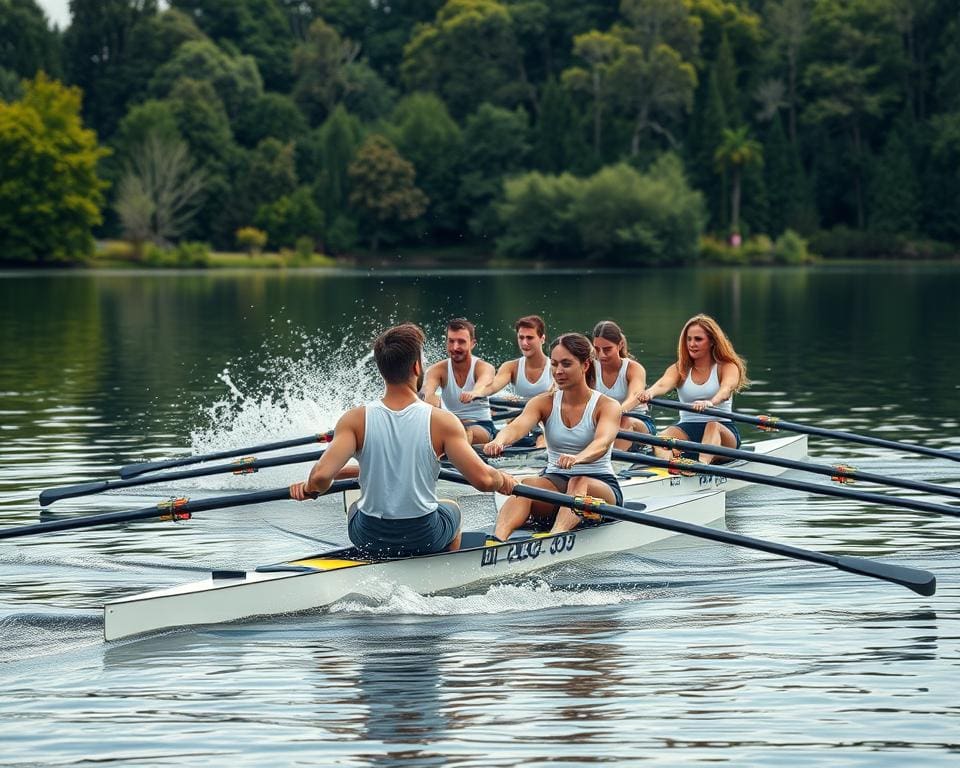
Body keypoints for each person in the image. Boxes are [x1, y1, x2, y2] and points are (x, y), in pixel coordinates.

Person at [290, 323, 516, 557]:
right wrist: (502, 479)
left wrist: (309, 489)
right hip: (424, 534)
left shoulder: (353, 420)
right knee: (452, 508)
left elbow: (320, 477)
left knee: (355, 507)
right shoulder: (443, 422)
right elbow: (484, 480)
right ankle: (440, 570)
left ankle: (379, 558)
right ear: (417, 366)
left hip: (369, 535)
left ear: (381, 369)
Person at [484, 333, 622, 541]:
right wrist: (498, 441)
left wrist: (578, 458)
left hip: (600, 485)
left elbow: (602, 443)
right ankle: (495, 544)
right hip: (556, 480)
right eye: (555, 364)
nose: (558, 371)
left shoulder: (607, 406)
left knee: (578, 480)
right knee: (526, 485)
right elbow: (517, 427)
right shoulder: (543, 403)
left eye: (566, 364)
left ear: (585, 365)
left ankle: (555, 538)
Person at [637, 313, 749, 464]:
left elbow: (726, 390)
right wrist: (649, 393)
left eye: (698, 339)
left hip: (722, 431)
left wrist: (710, 402)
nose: (691, 344)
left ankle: (701, 466)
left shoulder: (727, 367)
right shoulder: (680, 369)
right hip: (688, 429)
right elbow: (663, 384)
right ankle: (670, 467)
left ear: (711, 342)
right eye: (689, 339)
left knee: (712, 425)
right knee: (660, 439)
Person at [467, 315, 552, 447]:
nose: (524, 343)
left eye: (529, 338)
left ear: (542, 339)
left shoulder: (554, 368)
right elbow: (494, 385)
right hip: (520, 420)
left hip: (545, 421)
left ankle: (540, 446)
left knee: (541, 434)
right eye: (521, 337)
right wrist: (477, 393)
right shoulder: (511, 367)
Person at [421, 318, 498, 444]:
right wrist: (428, 398)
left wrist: (474, 393)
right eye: (451, 341)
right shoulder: (436, 370)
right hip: (449, 426)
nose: (455, 347)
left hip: (480, 426)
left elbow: (483, 385)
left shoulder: (484, 368)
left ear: (472, 343)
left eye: (461, 342)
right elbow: (427, 391)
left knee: (460, 435)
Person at [591, 320, 656, 451]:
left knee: (624, 421)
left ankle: (616, 463)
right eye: (597, 349)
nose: (601, 355)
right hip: (604, 422)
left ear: (620, 345)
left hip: (637, 421)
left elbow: (635, 396)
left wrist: (615, 412)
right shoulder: (590, 368)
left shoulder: (633, 368)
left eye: (607, 349)